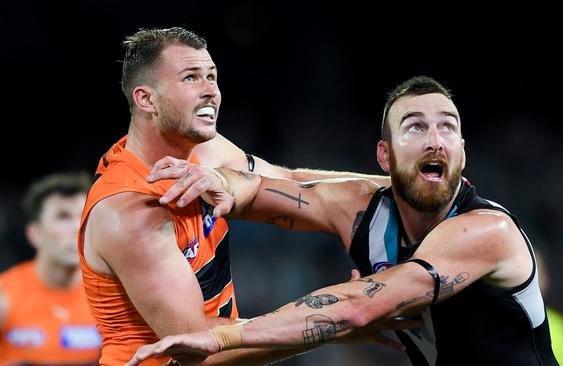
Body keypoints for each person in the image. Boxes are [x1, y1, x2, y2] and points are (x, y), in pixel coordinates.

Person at [127, 76, 559, 365]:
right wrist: (220, 179)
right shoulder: (362, 208)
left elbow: (358, 306)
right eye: (414, 127)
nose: (434, 140)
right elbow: (270, 186)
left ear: (463, 153)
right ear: (384, 155)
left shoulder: (487, 231)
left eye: (448, 128)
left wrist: (219, 337)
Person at [78, 27, 389, 366]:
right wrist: (335, 320)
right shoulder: (131, 212)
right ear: (146, 99)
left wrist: (397, 187)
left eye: (212, 76)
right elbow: (200, 348)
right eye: (191, 78)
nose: (211, 90)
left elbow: (287, 181)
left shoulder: (205, 151)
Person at [0, 172, 101, 365]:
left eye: (82, 216)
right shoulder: (4, 296)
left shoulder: (112, 299)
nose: (76, 227)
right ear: (34, 234)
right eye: (62, 217)